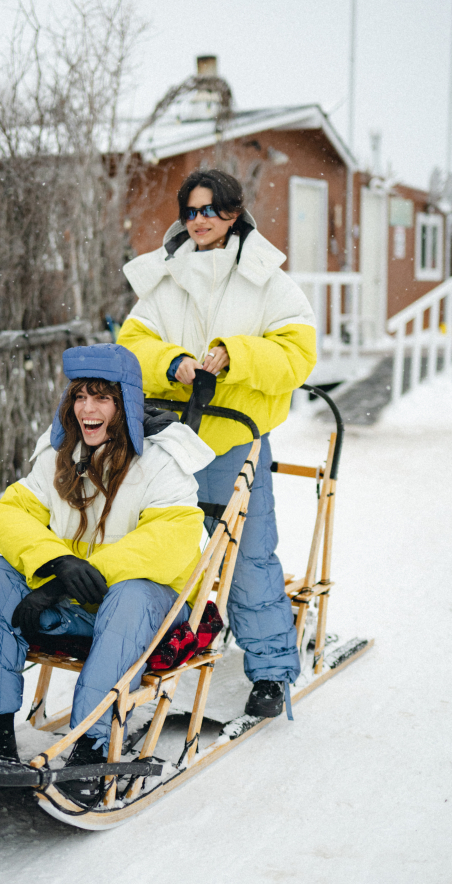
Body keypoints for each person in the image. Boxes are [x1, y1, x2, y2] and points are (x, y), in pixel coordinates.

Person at [0, 343, 214, 802]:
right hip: (75, 604)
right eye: (80, 396)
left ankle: (93, 745)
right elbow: (14, 512)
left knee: (130, 594)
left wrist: (73, 577)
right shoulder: (59, 454)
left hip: (148, 611)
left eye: (102, 398)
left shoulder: (162, 461)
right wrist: (55, 563)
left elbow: (169, 542)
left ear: (124, 403)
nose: (87, 409)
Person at [117, 168, 317, 718]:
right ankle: (162, 652)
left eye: (209, 210)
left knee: (248, 555)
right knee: (166, 553)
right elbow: (132, 344)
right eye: (190, 211)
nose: (198, 220)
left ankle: (271, 670)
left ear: (232, 213)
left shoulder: (267, 280)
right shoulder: (164, 278)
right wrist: (171, 362)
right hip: (171, 440)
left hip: (235, 437)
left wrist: (237, 354)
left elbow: (298, 354)